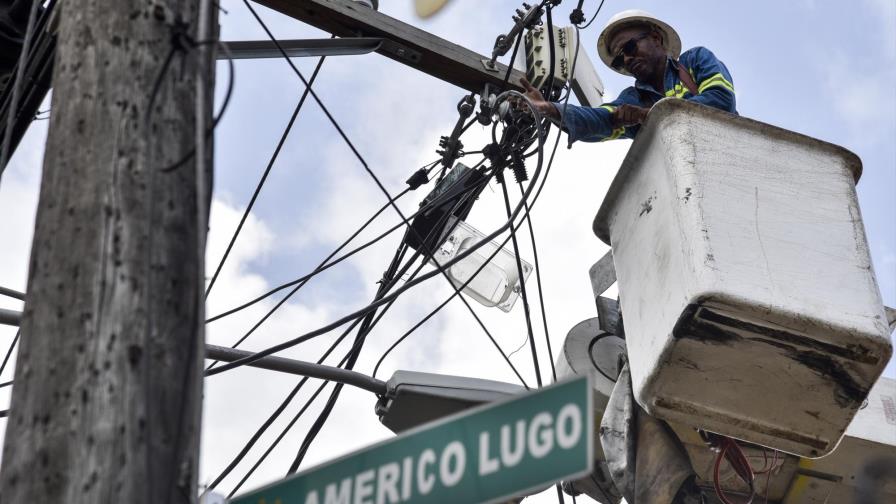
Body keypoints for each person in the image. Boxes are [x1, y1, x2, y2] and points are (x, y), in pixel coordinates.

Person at [520, 9, 736, 145]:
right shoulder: (633, 98)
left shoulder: (694, 60)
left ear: (656, 38)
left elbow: (721, 100)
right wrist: (550, 108)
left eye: (630, 47)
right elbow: (600, 119)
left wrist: (648, 115)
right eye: (619, 59)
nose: (627, 59)